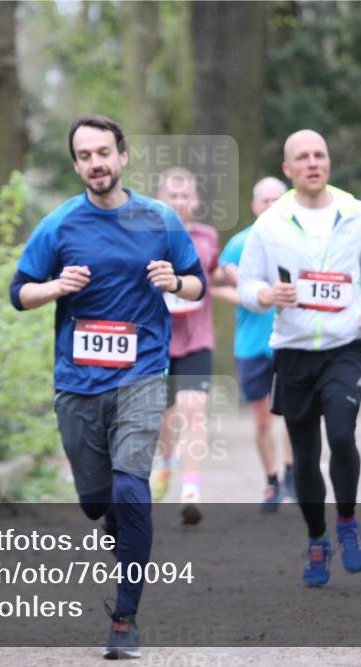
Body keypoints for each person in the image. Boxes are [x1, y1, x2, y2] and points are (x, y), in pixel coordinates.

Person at [9, 114, 206, 658]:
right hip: (77, 384)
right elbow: (17, 292)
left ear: (122, 157)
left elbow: (197, 284)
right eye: (85, 156)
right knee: (98, 502)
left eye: (104, 152)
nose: (96, 163)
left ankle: (125, 616)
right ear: (76, 165)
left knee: (129, 487)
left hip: (142, 374)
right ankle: (116, 523)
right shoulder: (59, 225)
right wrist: (54, 287)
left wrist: (175, 281)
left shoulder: (159, 218)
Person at [237, 130, 361, 588]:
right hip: (294, 351)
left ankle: (346, 521)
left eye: (319, 154)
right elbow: (246, 285)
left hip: (345, 345)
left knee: (341, 436)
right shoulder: (271, 223)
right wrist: (267, 294)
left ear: (329, 162)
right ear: (287, 170)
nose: (312, 162)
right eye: (301, 157)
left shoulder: (355, 213)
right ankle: (317, 538)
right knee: (304, 456)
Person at [213, 176, 296, 513]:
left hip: (290, 341)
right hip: (251, 345)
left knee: (293, 415)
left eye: (278, 199)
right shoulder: (239, 243)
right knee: (263, 420)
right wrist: (246, 294)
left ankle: (293, 474)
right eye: (266, 200)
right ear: (254, 206)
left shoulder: (299, 242)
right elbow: (213, 283)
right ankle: (272, 481)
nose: (272, 206)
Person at [149, 168, 221, 526]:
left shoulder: (208, 237)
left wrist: (234, 277)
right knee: (166, 420)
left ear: (196, 201)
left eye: (184, 196)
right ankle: (165, 461)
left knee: (194, 410)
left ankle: (191, 490)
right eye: (171, 196)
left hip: (197, 338)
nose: (178, 202)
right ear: (159, 200)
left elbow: (217, 275)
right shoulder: (145, 237)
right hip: (158, 341)